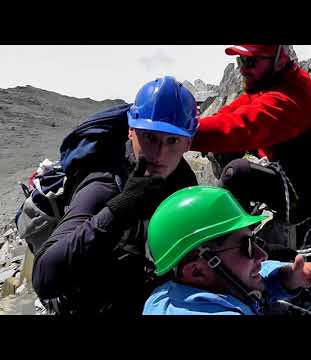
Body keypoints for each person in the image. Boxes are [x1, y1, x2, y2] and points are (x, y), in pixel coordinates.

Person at [32, 76, 199, 315]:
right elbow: (44, 277)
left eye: (172, 140)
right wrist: (120, 209)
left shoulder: (182, 178)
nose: (160, 153)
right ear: (131, 131)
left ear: (188, 143)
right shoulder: (103, 184)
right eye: (149, 137)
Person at [191, 45, 311, 254]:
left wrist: (180, 134)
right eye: (240, 61)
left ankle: (230, 250)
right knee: (224, 149)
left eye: (250, 61)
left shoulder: (291, 99)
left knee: (237, 173)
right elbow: (241, 107)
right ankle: (238, 212)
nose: (243, 69)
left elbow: (240, 128)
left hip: (304, 194)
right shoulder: (277, 78)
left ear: (279, 59)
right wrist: (196, 124)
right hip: (297, 169)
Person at [143, 185, 311, 315]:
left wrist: (285, 277)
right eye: (246, 246)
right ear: (197, 270)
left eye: (256, 241)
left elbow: (239, 276)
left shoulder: (165, 296)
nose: (262, 255)